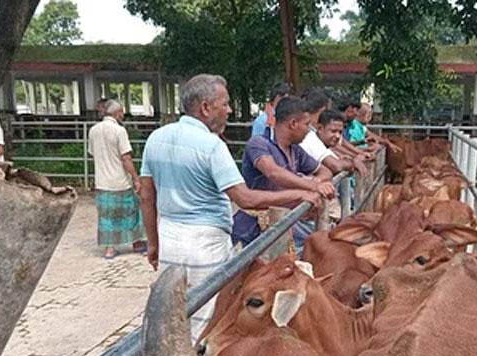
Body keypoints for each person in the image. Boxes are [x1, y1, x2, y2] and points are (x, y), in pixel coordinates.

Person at [138, 74, 328, 342]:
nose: (229, 110)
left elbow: (147, 195)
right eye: (224, 104)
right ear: (205, 107)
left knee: (175, 312)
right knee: (207, 317)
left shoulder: (156, 138)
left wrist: (153, 243)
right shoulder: (212, 146)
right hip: (206, 242)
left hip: (169, 235)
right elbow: (245, 198)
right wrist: (301, 192)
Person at [241, 96, 335, 254]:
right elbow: (273, 172)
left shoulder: (295, 150)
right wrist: (313, 186)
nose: (309, 130)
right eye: (306, 124)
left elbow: (326, 171)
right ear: (293, 124)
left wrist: (316, 181)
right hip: (255, 228)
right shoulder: (258, 144)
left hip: (287, 223)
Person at [88, 99, 146, 259]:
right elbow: (126, 157)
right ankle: (137, 242)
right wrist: (136, 178)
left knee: (106, 216)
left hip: (102, 181)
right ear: (117, 113)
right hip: (120, 180)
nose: (123, 115)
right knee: (133, 211)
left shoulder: (93, 130)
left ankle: (109, 248)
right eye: (122, 112)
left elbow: (92, 153)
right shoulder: (119, 131)